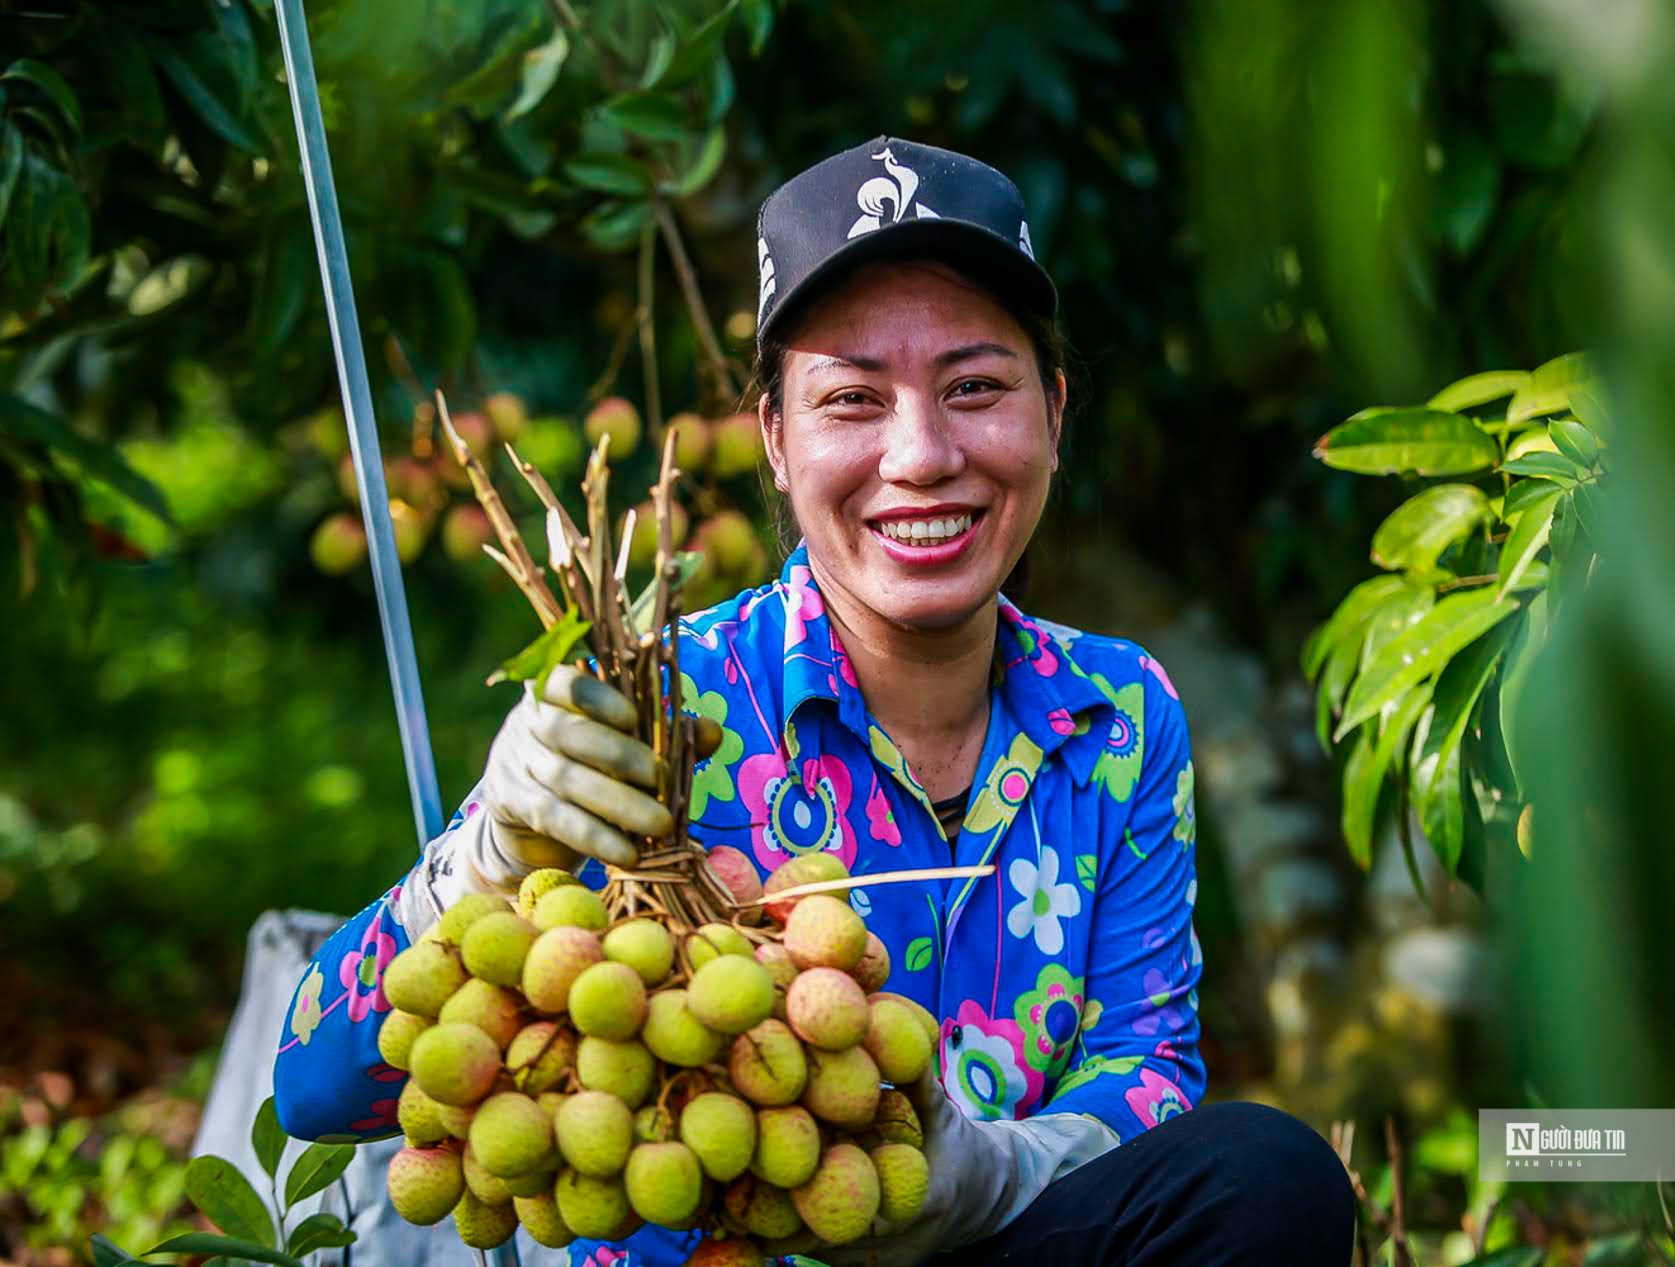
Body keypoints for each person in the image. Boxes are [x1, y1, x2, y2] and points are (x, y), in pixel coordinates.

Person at [274, 135, 1356, 1266]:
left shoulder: (1118, 713)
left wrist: (986, 1176)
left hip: (998, 1246)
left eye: (975, 387)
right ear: (778, 444)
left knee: (1265, 1178)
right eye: (851, 400)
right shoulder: (656, 705)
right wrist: (489, 854)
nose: (922, 454)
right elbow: (312, 1088)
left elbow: (1146, 1068)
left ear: (1054, 411)